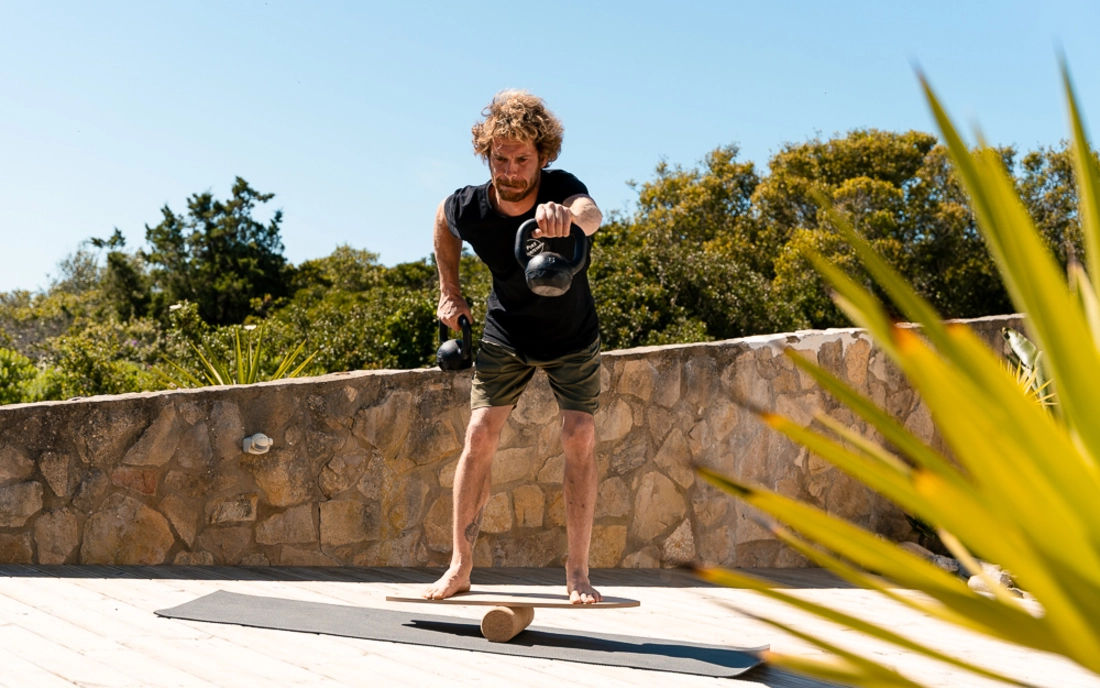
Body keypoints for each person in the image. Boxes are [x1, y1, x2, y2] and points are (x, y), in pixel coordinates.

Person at [424, 90, 604, 604]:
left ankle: (578, 574)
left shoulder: (563, 191)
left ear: (543, 156)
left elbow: (592, 214)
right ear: (487, 156)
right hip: (506, 333)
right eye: (500, 158)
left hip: (572, 335)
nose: (511, 170)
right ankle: (459, 566)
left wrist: (568, 219)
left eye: (522, 158)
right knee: (479, 434)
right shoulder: (471, 206)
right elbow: (442, 219)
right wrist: (449, 291)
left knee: (580, 435)